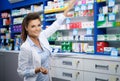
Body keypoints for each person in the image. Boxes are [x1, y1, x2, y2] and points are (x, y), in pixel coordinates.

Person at [17, 0, 76, 81]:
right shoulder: (25, 47)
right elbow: (21, 72)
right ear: (26, 28)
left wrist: (67, 9)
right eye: (33, 26)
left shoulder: (42, 36)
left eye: (38, 25)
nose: (37, 29)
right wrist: (36, 70)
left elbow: (55, 25)